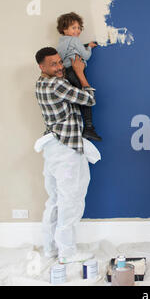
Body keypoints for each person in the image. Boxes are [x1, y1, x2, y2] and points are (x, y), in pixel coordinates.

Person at [34, 47, 101, 264]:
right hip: (66, 148)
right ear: (42, 66)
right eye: (52, 64)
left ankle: (50, 248)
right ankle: (68, 252)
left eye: (59, 62)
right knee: (70, 200)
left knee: (54, 200)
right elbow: (89, 99)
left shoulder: (40, 83)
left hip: (53, 147)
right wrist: (80, 72)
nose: (59, 67)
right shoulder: (56, 84)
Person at [56, 12, 102, 141]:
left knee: (76, 100)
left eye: (79, 28)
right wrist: (90, 49)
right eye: (73, 27)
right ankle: (88, 128)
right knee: (86, 98)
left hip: (67, 74)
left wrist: (86, 45)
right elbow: (85, 56)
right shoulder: (75, 40)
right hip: (77, 71)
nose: (77, 30)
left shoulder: (60, 44)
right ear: (64, 29)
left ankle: (80, 128)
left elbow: (71, 51)